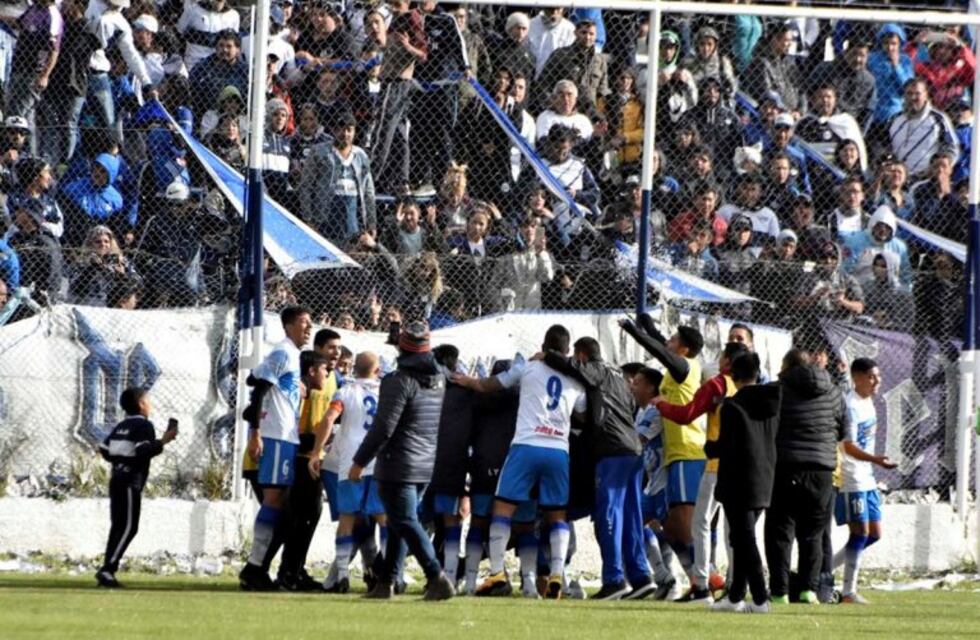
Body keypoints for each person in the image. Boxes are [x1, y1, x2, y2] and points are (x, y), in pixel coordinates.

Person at [454, 324, 587, 599]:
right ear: (567, 350)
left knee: (502, 509)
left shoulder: (528, 367)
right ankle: (557, 574)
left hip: (526, 446)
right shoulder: (576, 379)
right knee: (556, 515)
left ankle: (497, 574)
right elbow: (584, 414)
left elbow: (489, 384)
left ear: (543, 345)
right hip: (558, 451)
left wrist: (467, 381)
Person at [350, 322, 455, 601]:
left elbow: (384, 428)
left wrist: (359, 462)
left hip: (398, 463)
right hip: (424, 464)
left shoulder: (398, 381)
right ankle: (386, 581)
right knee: (398, 522)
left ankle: (436, 576)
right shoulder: (440, 379)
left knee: (405, 521)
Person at [543, 337, 652, 600]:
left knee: (609, 514)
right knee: (631, 515)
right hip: (633, 450)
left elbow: (568, 365)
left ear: (582, 355)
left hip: (612, 451)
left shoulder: (597, 369)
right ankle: (641, 577)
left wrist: (547, 355)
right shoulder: (621, 378)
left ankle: (614, 580)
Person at [653, 341, 750, 601]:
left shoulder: (716, 385)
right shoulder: (748, 388)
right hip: (744, 465)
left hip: (717, 464)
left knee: (701, 523)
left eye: (721, 357)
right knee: (733, 527)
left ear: (727, 362)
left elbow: (687, 414)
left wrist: (662, 404)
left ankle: (701, 585)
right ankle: (733, 584)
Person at [619, 314, 706, 601]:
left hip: (688, 450)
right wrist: (647, 324)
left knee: (682, 527)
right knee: (671, 528)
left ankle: (703, 581)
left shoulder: (685, 367)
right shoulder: (675, 370)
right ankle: (682, 580)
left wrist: (633, 330)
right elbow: (660, 344)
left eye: (674, 339)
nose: (668, 342)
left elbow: (659, 349)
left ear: (683, 349)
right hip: (675, 456)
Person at [238, 305, 313, 591]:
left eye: (310, 323)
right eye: (304, 323)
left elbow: (255, 377)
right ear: (288, 326)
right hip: (275, 436)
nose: (309, 328)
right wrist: (255, 433)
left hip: (286, 437)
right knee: (273, 500)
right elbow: (258, 389)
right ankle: (254, 568)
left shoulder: (292, 355)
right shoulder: (283, 351)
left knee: (279, 501)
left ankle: (256, 567)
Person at [766, 348, 846, 605]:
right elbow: (843, 428)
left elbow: (767, 424)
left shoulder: (777, 390)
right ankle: (808, 590)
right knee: (813, 532)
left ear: (787, 367)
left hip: (785, 466)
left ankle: (779, 592)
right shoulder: (834, 392)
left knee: (780, 531)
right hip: (822, 470)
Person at [706, 352, 781, 614]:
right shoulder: (773, 402)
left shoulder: (732, 406)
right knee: (741, 537)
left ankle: (760, 598)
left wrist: (710, 448)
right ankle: (736, 595)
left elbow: (728, 445)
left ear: (733, 376)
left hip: (738, 478)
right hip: (765, 476)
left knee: (745, 539)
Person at [309, 351, 386, 594]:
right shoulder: (386, 392)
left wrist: (316, 452)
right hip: (377, 461)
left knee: (347, 519)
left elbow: (330, 418)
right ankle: (387, 572)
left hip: (350, 461)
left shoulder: (346, 391)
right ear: (377, 371)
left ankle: (342, 575)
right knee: (383, 518)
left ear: (354, 369)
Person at [96, 388, 178, 588]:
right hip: (130, 481)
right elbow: (143, 451)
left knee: (118, 525)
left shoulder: (121, 425)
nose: (150, 404)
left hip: (116, 479)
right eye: (148, 400)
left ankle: (107, 569)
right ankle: (107, 569)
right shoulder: (144, 425)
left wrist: (119, 462)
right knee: (130, 527)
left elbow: (104, 449)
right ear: (141, 404)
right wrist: (163, 441)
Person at [832, 358, 896, 605]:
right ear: (856, 378)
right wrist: (876, 460)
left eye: (877, 376)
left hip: (867, 476)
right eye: (871, 376)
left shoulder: (869, 402)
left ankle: (822, 571)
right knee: (860, 532)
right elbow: (848, 446)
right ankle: (848, 592)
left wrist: (874, 462)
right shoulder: (850, 405)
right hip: (851, 477)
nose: (877, 381)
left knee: (874, 534)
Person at [299, 110, 377, 244]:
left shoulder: (361, 156)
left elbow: (369, 191)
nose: (345, 134)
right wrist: (308, 219)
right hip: (325, 218)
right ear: (333, 130)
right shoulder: (319, 152)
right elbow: (306, 186)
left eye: (349, 130)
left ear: (354, 131)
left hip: (353, 219)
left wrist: (371, 222)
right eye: (340, 129)